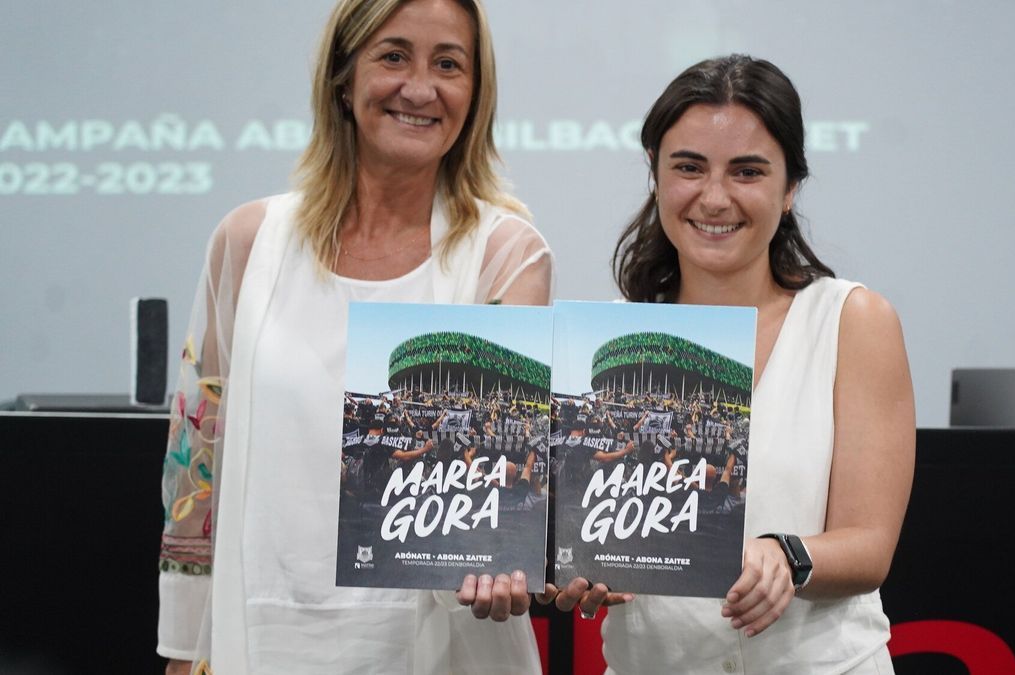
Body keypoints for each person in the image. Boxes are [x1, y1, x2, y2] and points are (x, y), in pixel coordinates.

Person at [156, 0, 551, 672]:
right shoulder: (247, 242)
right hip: (262, 638)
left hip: (442, 647)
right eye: (393, 55)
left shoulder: (506, 254)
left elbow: (509, 476)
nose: (420, 88)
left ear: (475, 93)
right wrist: (184, 646)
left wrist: (509, 554)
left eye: (448, 64)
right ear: (343, 77)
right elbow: (197, 464)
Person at [551, 54, 915, 673]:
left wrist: (786, 554)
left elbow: (871, 545)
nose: (714, 198)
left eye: (747, 171)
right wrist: (572, 572)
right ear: (656, 176)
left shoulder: (851, 320)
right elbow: (577, 539)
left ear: (791, 185)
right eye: (689, 168)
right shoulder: (608, 341)